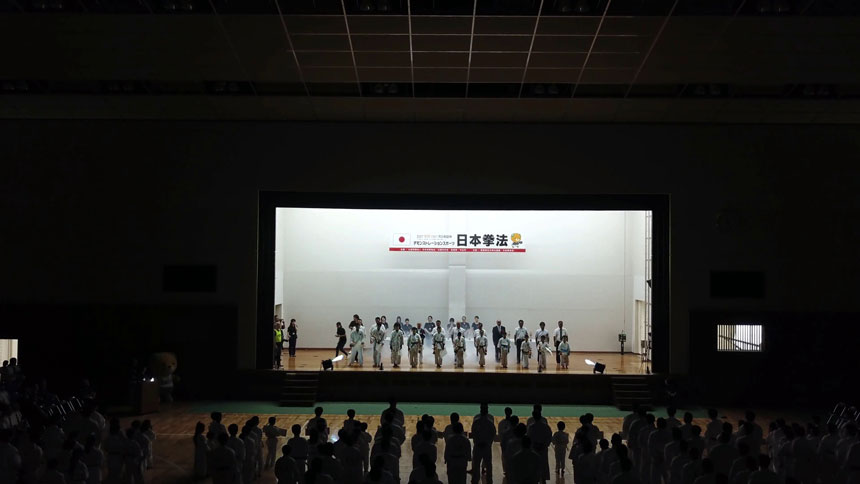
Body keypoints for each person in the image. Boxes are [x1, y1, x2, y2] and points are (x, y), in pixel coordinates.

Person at [471, 403, 496, 484]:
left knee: (477, 465)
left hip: (479, 446)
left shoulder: (476, 421)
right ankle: (489, 481)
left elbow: (473, 433)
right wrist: (488, 443)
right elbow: (493, 434)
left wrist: (478, 442)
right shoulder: (490, 422)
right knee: (488, 465)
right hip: (486, 447)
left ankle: (475, 480)